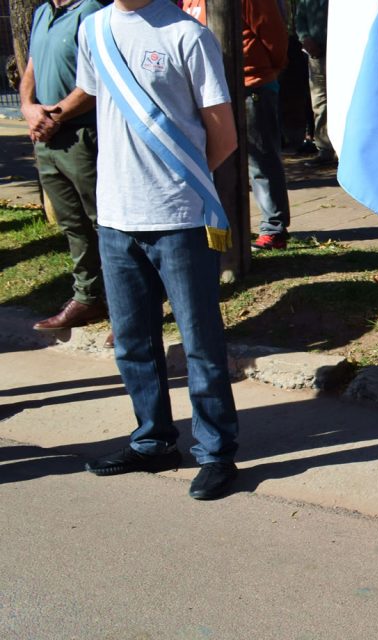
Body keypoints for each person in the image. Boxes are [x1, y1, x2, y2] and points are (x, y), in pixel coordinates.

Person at [74, 0, 243, 501]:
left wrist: (181, 183)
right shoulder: (94, 28)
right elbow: (94, 94)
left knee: (200, 344)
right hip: (115, 216)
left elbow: (224, 133)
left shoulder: (188, 36)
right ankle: (152, 441)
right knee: (132, 342)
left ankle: (215, 452)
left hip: (179, 219)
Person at [21, 0, 109, 335]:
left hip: (82, 136)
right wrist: (29, 108)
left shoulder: (90, 10)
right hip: (47, 138)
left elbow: (98, 79)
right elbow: (31, 67)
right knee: (72, 223)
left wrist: (54, 116)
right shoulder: (43, 12)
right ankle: (88, 297)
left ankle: (126, 305)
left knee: (105, 223)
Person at [181, 0, 291, 252]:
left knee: (261, 161)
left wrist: (264, 69)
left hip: (251, 86)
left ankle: (273, 228)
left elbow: (274, 36)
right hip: (207, 91)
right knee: (216, 161)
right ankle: (220, 226)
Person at [294, 0, 333, 166]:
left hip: (341, 50)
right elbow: (300, 18)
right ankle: (325, 149)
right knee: (320, 101)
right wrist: (305, 38)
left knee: (345, 98)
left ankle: (346, 149)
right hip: (316, 55)